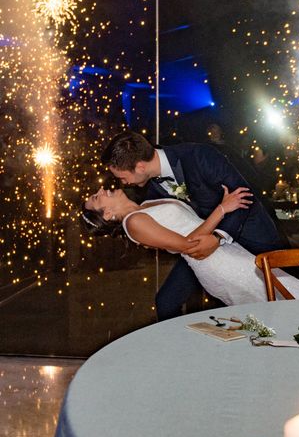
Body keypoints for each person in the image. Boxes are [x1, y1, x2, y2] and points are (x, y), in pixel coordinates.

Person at [100, 130, 287, 320]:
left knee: (274, 301)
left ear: (140, 167)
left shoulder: (198, 155)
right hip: (199, 249)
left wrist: (218, 237)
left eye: (123, 177)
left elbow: (242, 196)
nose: (123, 183)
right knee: (166, 302)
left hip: (251, 237)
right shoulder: (151, 188)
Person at [81, 186, 299, 305]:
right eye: (96, 198)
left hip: (229, 251)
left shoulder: (146, 205)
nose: (101, 190)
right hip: (217, 265)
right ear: (108, 214)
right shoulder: (133, 223)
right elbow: (188, 245)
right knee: (290, 301)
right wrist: (222, 209)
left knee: (289, 296)